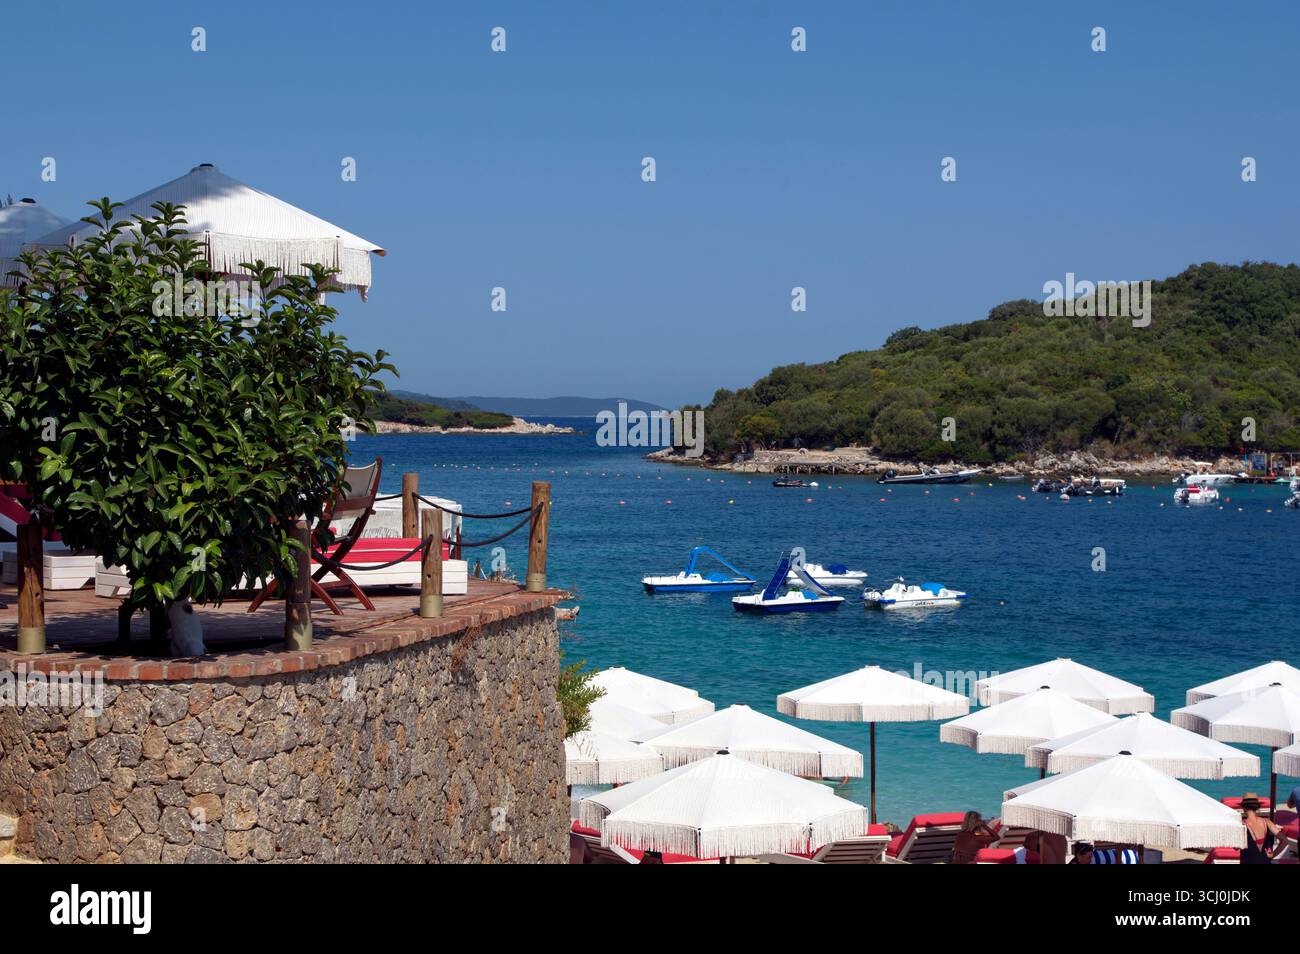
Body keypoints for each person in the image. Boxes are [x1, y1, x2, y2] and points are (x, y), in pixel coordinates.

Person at [1240, 793, 1288, 864]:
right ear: (1257, 807)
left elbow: (1236, 847)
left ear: (1244, 808)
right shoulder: (1267, 822)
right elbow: (1285, 841)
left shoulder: (1242, 824)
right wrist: (1273, 854)